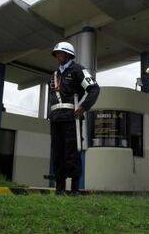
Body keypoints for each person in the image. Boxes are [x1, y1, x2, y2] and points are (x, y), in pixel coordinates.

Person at [49, 41, 100, 195]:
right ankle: (60, 188)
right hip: (56, 119)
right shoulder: (54, 74)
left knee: (72, 153)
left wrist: (83, 107)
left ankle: (75, 189)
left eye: (61, 53)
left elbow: (94, 89)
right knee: (57, 153)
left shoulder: (78, 70)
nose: (58, 56)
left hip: (71, 118)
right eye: (56, 53)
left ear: (68, 55)